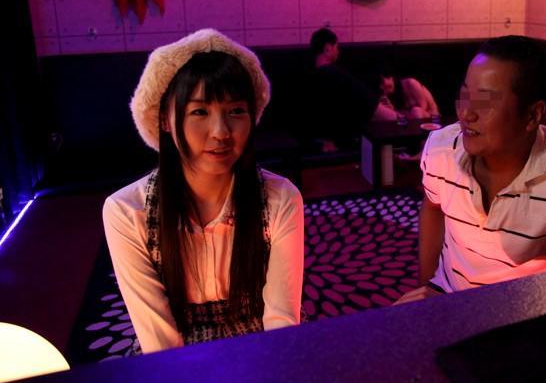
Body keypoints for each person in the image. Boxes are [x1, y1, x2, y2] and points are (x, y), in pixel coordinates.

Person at [103, 29, 304, 353]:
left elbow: (281, 320)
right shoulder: (127, 211)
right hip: (175, 357)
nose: (221, 132)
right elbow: (159, 341)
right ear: (165, 120)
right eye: (199, 112)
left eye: (236, 111)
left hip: (262, 345)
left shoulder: (280, 198)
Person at [397, 36, 546, 303]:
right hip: (448, 299)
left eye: (487, 101)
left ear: (532, 115)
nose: (466, 114)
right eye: (466, 95)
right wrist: (428, 288)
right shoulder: (442, 147)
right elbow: (433, 207)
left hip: (521, 313)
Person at [307, 28, 396, 151]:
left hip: (328, 132)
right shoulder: (335, 74)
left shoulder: (310, 77)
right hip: (346, 134)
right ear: (327, 48)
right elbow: (367, 101)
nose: (338, 51)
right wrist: (395, 117)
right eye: (336, 47)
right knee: (392, 120)